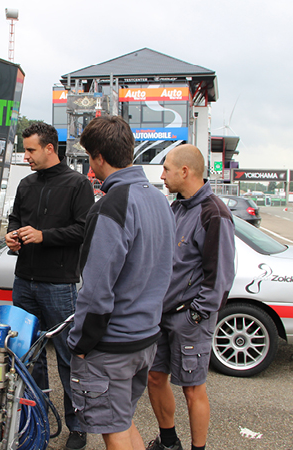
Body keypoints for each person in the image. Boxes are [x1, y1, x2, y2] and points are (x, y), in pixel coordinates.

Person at [67, 116, 176, 450]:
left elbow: (96, 290)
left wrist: (81, 344)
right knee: (123, 421)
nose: (89, 165)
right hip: (144, 338)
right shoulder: (158, 199)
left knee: (112, 430)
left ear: (99, 156)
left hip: (111, 345)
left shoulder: (111, 207)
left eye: (88, 157)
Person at [5, 122, 94, 450]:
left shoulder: (77, 184)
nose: (26, 155)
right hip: (23, 282)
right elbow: (15, 218)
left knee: (69, 359)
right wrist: (12, 236)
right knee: (29, 355)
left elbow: (84, 230)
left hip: (59, 285)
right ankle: (36, 417)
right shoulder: (26, 184)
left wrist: (44, 236)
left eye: (30, 150)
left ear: (49, 149)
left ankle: (78, 425)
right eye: (25, 149)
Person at [146, 144, 235, 450]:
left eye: (167, 169)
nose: (162, 175)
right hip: (161, 316)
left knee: (192, 389)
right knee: (155, 379)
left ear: (185, 172)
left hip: (189, 319)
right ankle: (169, 442)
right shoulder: (177, 207)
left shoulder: (214, 213)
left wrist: (194, 316)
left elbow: (220, 277)